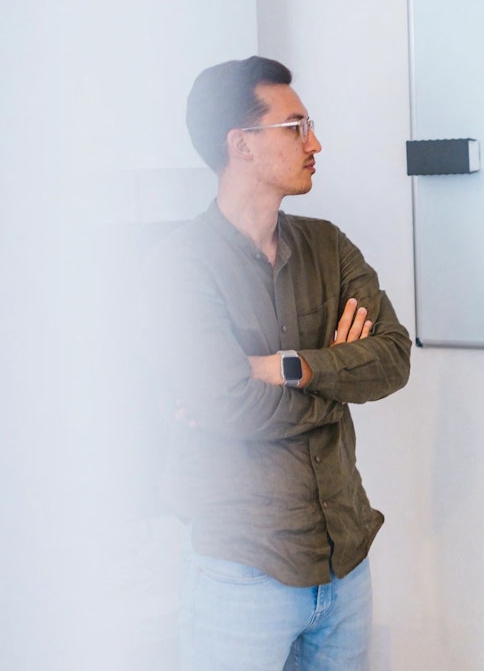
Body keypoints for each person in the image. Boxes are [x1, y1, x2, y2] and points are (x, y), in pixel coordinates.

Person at [146, 56, 411, 669]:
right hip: (243, 573)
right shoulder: (179, 266)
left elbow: (393, 358)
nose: (314, 143)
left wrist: (286, 367)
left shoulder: (328, 244)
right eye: (295, 127)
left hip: (344, 565)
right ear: (240, 145)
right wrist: (337, 371)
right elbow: (230, 406)